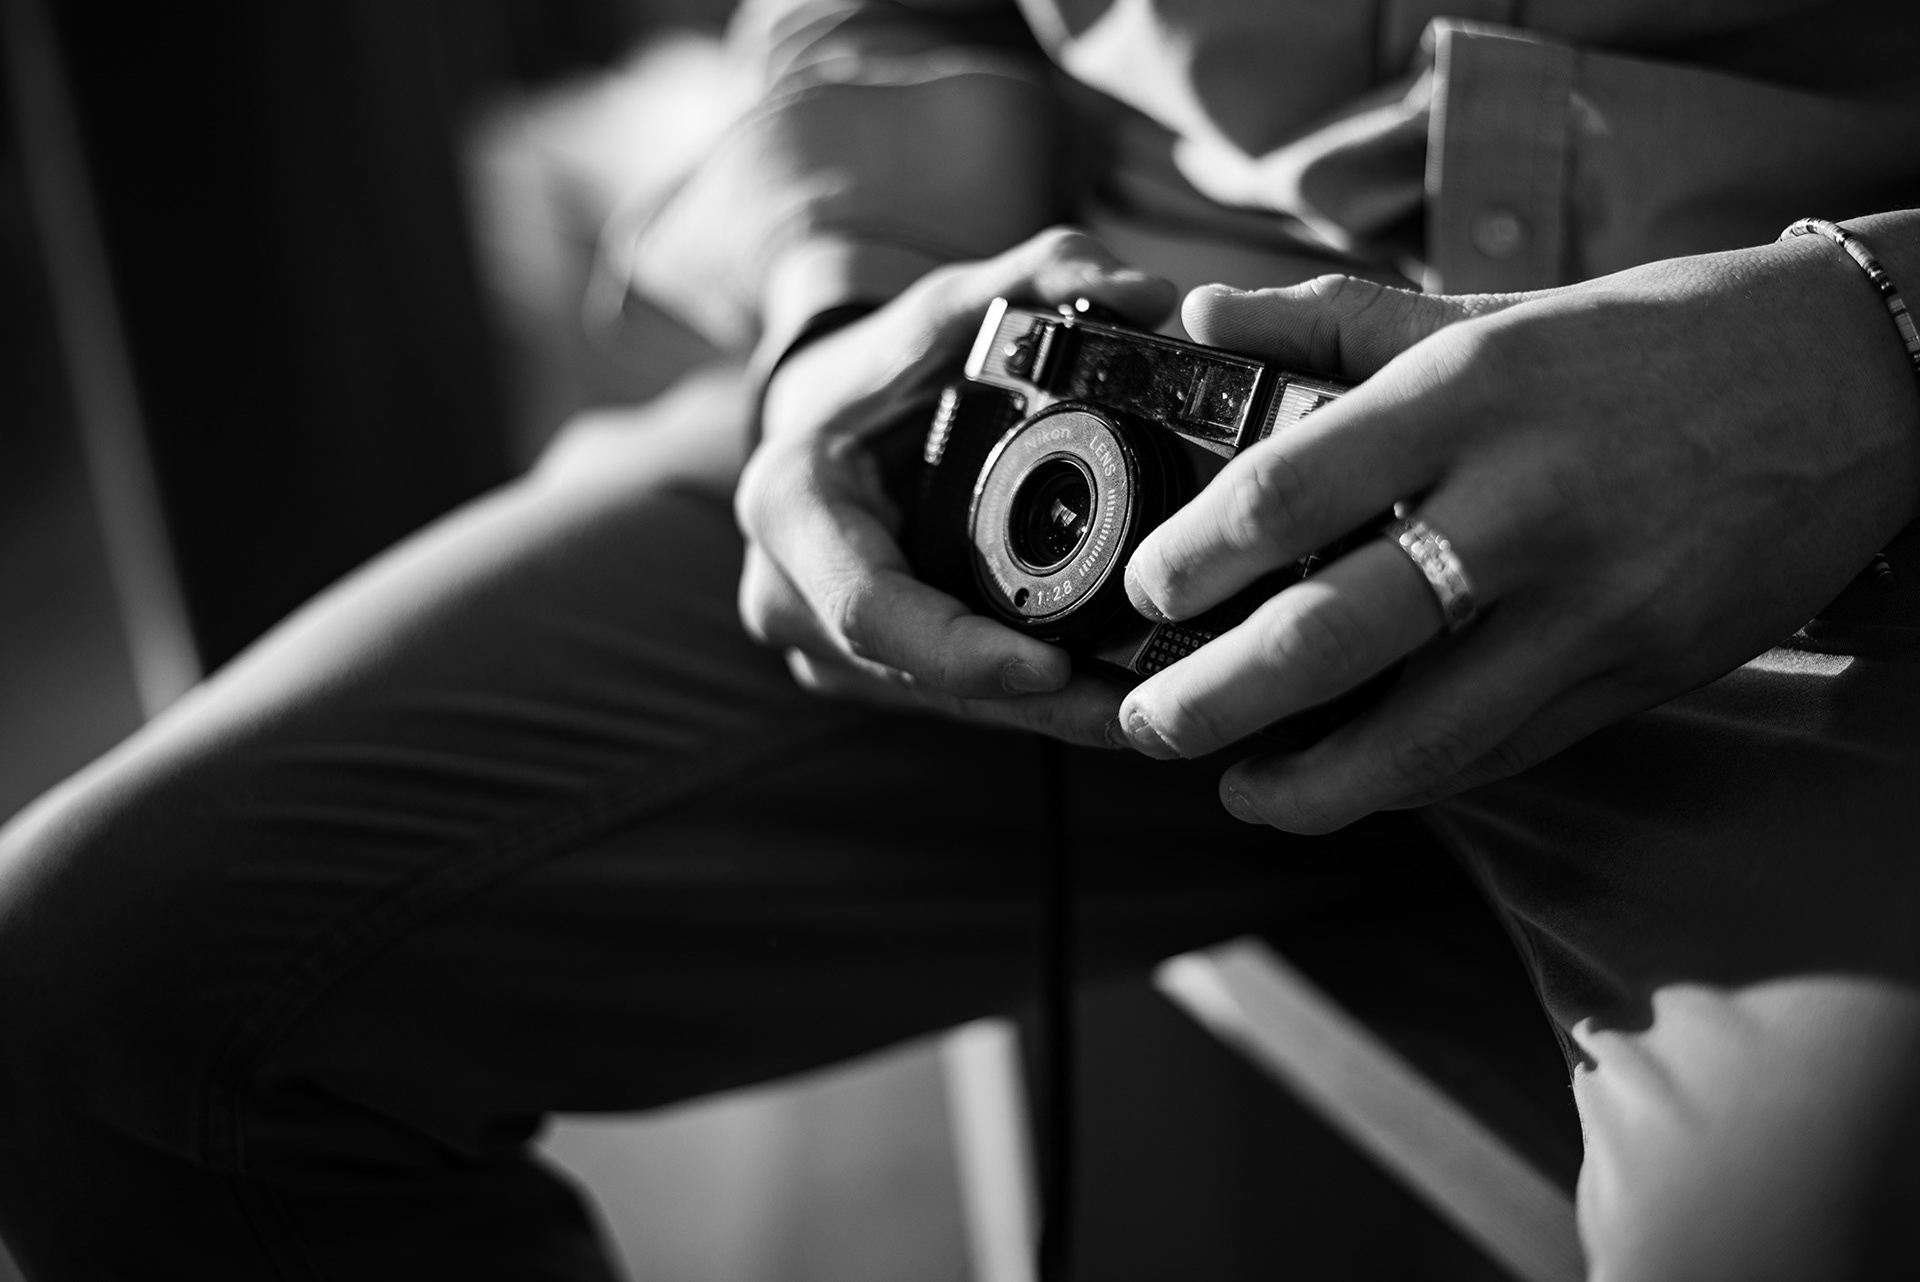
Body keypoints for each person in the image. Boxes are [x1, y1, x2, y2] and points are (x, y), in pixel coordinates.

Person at [3, 1, 1919, 1277]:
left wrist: (1871, 351)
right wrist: (846, 316)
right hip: (1110, 329)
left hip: (1819, 486)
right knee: (101, 991)